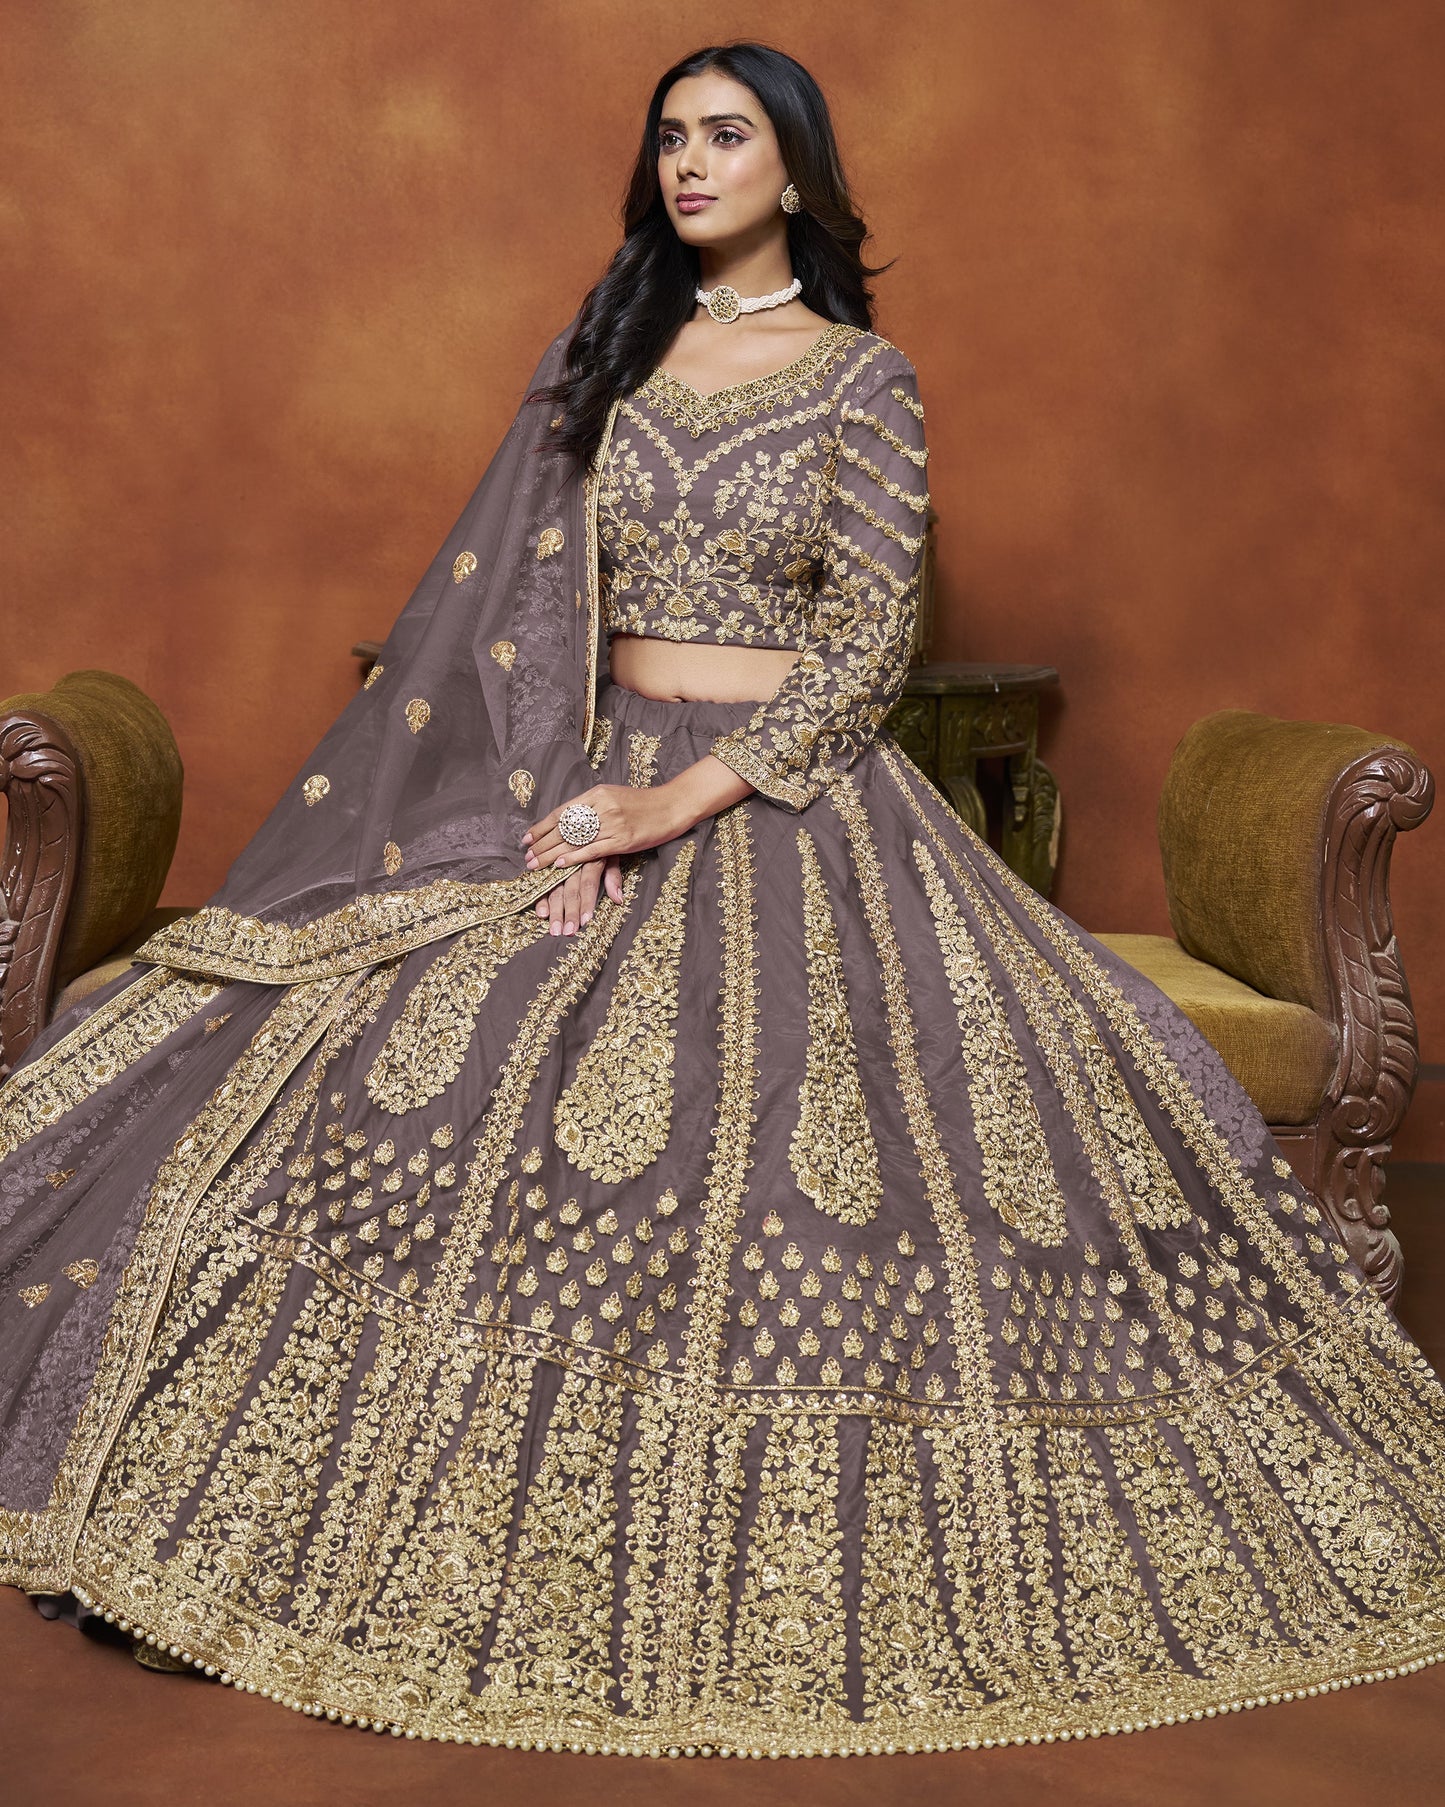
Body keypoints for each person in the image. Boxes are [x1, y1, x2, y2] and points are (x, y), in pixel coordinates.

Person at [1, 39, 1442, 1764]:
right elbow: (515, 619)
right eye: (671, 137)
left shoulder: (860, 380)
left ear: (796, 169)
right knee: (419, 1059)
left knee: (800, 1120)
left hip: (785, 798)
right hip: (587, 771)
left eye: (727, 135)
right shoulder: (604, 358)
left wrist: (674, 802)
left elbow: (865, 648)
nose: (690, 163)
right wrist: (564, 808)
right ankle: (246, 1521)